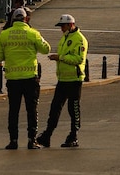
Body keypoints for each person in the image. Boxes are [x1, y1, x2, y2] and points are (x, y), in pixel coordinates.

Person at [0, 7, 50, 150]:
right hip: (30, 78)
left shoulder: (4, 35)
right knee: (32, 110)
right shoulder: (33, 33)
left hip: (13, 79)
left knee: (14, 111)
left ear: (13, 19)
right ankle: (32, 140)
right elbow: (46, 49)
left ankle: (13, 141)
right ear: (26, 19)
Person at [37, 14, 88, 148]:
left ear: (71, 25)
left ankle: (73, 136)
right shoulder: (65, 38)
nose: (61, 29)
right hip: (63, 79)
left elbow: (78, 59)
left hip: (74, 79)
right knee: (55, 108)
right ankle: (47, 135)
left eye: (63, 26)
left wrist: (60, 58)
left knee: (74, 109)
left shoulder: (79, 39)